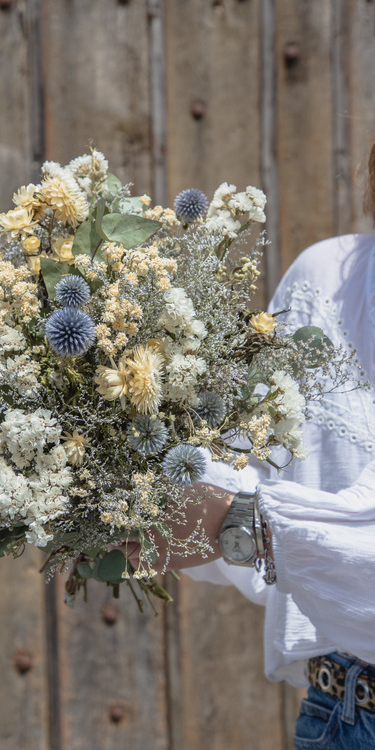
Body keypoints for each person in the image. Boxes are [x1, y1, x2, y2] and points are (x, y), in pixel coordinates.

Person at [162, 145, 375, 749]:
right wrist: (109, 475)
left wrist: (242, 521)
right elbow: (243, 473)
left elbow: (244, 513)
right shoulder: (328, 284)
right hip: (343, 716)